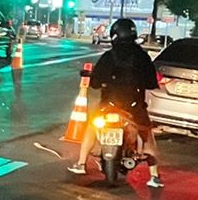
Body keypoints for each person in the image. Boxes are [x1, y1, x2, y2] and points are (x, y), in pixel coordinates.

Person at [68, 17, 163, 187]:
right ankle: (154, 176)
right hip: (134, 106)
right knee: (147, 136)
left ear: (114, 35)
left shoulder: (109, 56)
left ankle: (81, 163)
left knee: (91, 127)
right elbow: (151, 83)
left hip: (108, 105)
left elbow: (96, 83)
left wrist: (100, 80)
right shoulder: (142, 57)